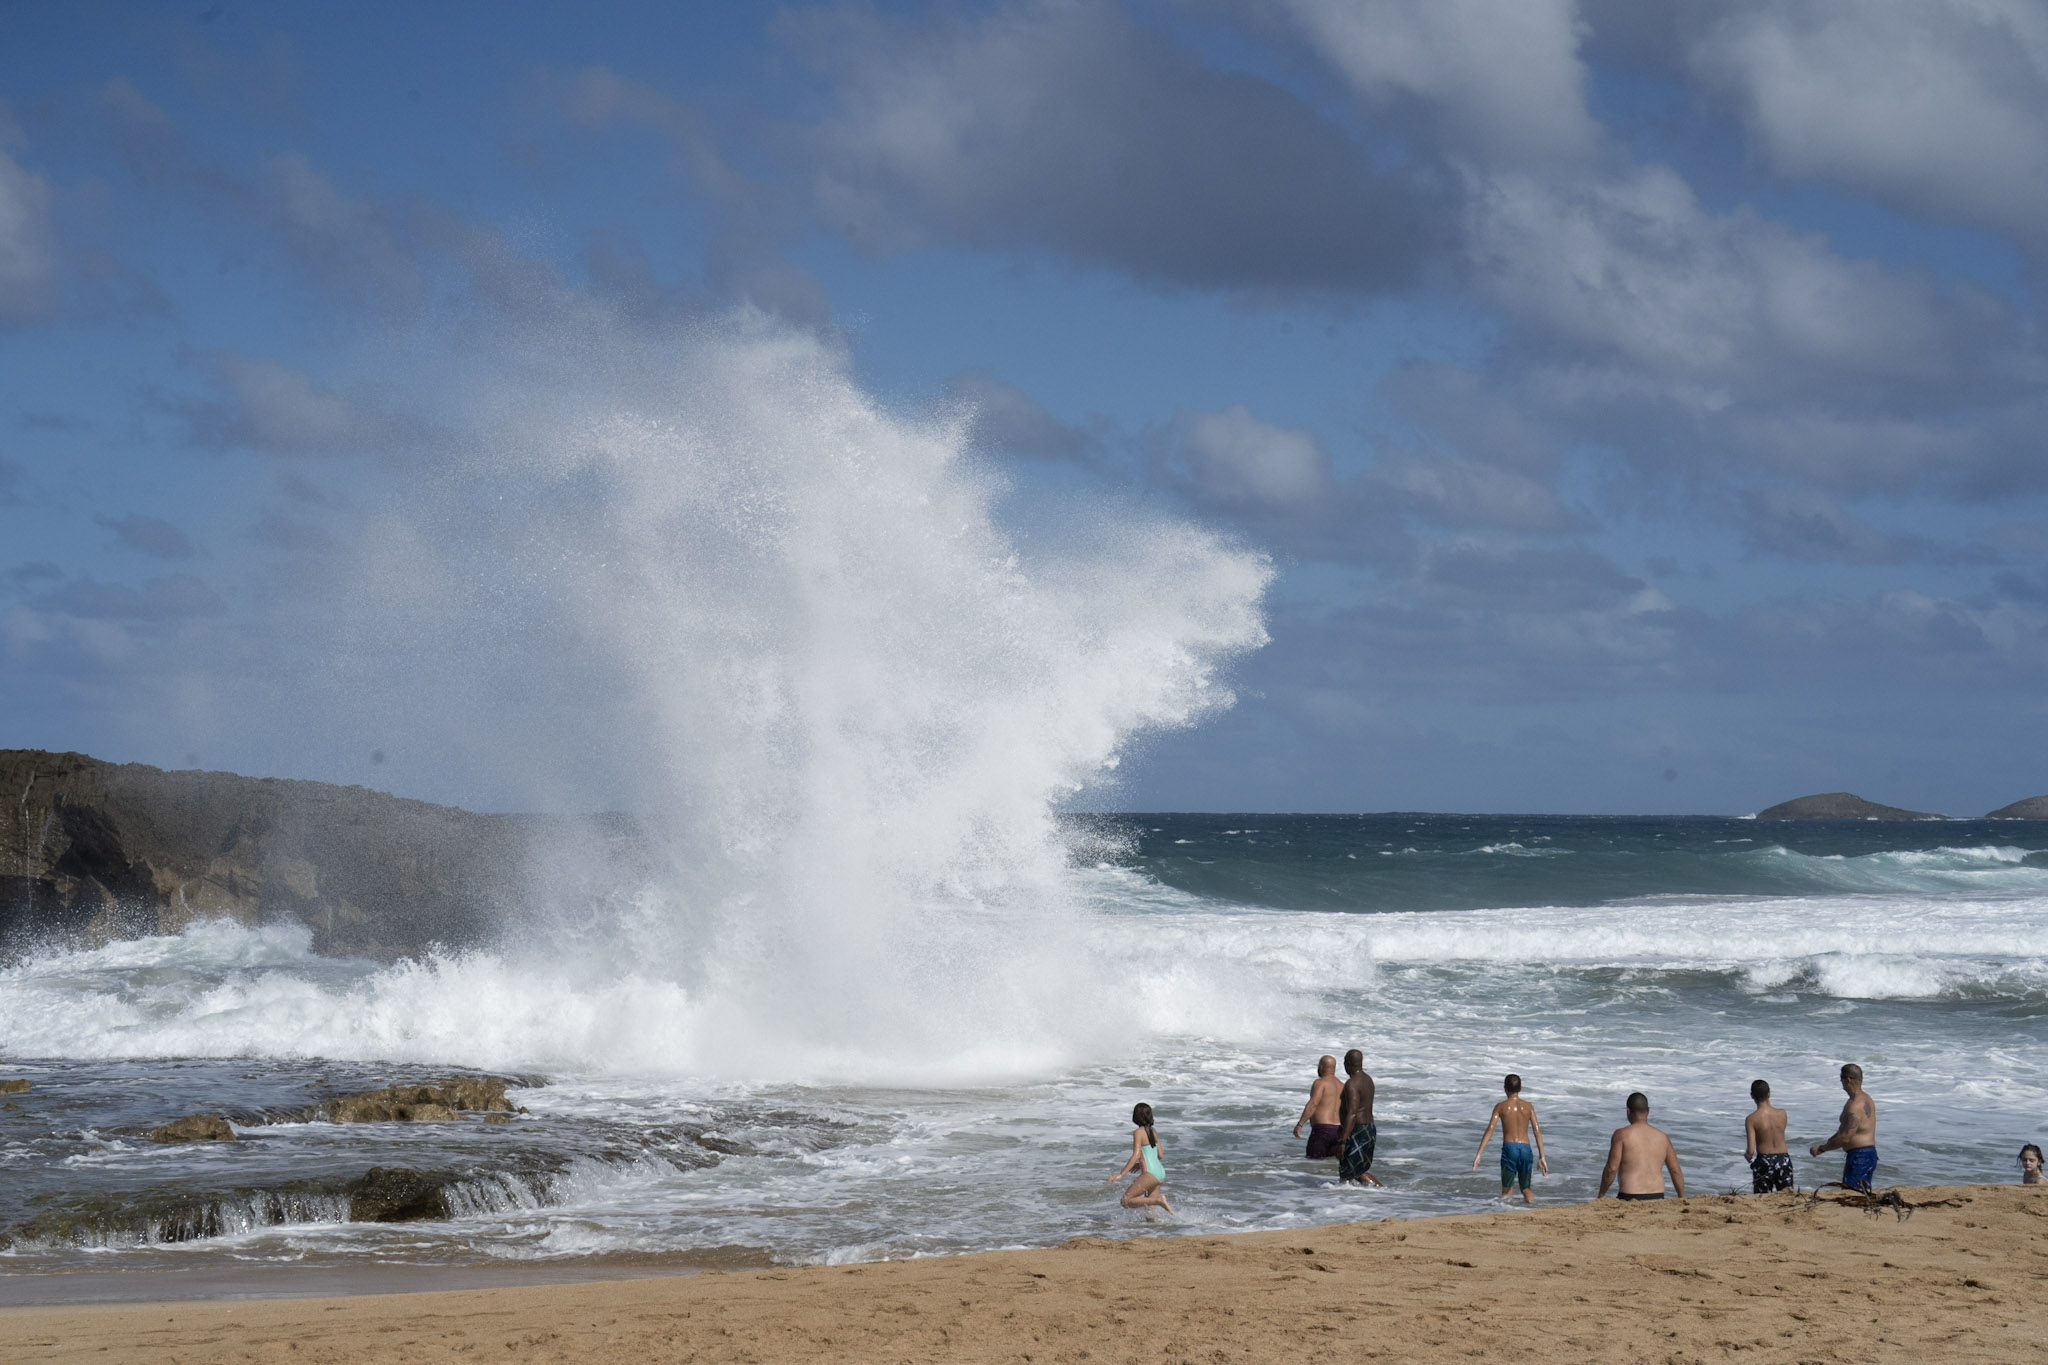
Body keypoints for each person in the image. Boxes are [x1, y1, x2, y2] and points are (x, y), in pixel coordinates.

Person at [1471, 1073, 1547, 1203]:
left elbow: (1490, 1129)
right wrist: (1542, 1156)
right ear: (1521, 1088)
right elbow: (1537, 1130)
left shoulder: (1501, 1107)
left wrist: (1479, 1154)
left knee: (1507, 1189)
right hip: (1525, 1149)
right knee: (1526, 1188)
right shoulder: (1528, 1107)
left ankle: (1507, 1212)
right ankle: (1532, 1208)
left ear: (1504, 1088)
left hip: (1509, 1148)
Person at [1598, 1092, 1685, 1201]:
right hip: (1657, 1197)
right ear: (1648, 1110)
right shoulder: (1663, 1137)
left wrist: (1601, 1195)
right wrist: (1681, 1197)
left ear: (1628, 1111)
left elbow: (1611, 1168)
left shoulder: (1621, 1135)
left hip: (1629, 1196)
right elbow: (1675, 1170)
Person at [1809, 1063, 1878, 1192]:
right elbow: (1843, 1130)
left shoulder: (1855, 1105)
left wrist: (1823, 1149)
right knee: (1858, 1193)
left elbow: (1845, 1137)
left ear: (1848, 1080)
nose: (1840, 1082)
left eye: (1841, 1078)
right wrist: (1827, 1143)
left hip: (1860, 1156)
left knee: (1852, 1193)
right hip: (1864, 1155)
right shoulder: (1864, 1098)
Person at [1107, 1102, 1173, 1213]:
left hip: (1150, 1173)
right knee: (1150, 1212)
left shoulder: (1138, 1132)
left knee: (1126, 1201)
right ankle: (1152, 1228)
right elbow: (1160, 1155)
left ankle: (1158, 1201)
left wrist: (1121, 1174)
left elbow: (1136, 1155)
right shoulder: (1154, 1131)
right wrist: (1140, 1163)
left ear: (1136, 1117)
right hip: (1160, 1172)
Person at [1337, 1049, 1383, 1187]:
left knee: (1347, 1173)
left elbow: (1352, 1112)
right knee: (1356, 1171)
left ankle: (1383, 1191)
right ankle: (1374, 1195)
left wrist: (1342, 1141)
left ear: (1349, 1063)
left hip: (1357, 1129)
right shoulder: (1368, 1080)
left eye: (1344, 1062)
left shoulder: (1352, 1083)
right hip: (1369, 1128)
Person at [1743, 1078, 1794, 1194]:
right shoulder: (1782, 1113)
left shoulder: (1751, 1119)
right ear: (1769, 1094)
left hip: (1764, 1160)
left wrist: (1748, 1155)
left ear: (1752, 1095)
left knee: (1762, 1198)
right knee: (1787, 1196)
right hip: (1783, 1159)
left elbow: (1751, 1150)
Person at [1292, 1054, 1343, 1161]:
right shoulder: (1342, 1085)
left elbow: (1313, 1104)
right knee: (1331, 1166)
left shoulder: (1320, 1083)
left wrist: (1300, 1124)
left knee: (1313, 1164)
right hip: (1338, 1130)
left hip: (1322, 1131)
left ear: (1321, 1067)